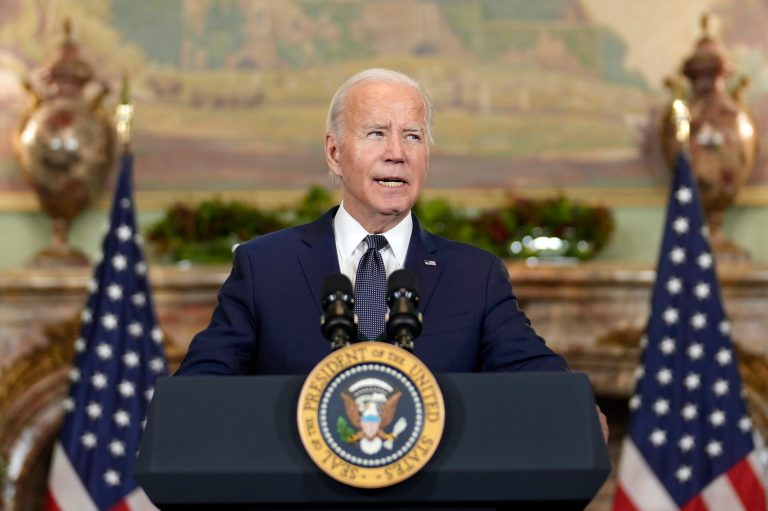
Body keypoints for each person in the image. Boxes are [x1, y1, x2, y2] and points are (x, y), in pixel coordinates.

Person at [176, 68, 568, 375]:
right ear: (334, 153)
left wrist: (577, 409)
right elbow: (203, 388)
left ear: (427, 157)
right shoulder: (265, 266)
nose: (396, 153)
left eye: (413, 137)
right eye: (376, 133)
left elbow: (538, 378)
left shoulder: (476, 276)